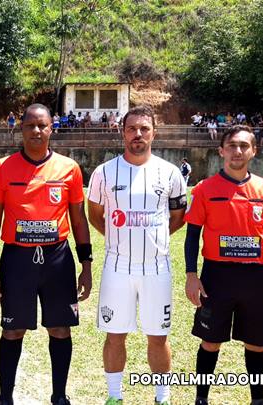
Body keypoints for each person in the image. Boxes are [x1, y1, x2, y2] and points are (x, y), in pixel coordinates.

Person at [0, 103, 92, 405]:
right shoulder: (3, 167)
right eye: (30, 125)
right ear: (21, 128)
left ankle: (59, 396)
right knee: (13, 329)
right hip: (17, 260)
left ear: (51, 129)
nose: (36, 130)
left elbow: (78, 219)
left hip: (57, 260)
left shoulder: (69, 168)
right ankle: (5, 398)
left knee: (60, 328)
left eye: (42, 125)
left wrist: (86, 264)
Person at [87, 106, 187, 405]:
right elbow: (95, 216)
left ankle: (162, 397)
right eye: (132, 129)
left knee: (158, 336)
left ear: (154, 133)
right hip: (117, 268)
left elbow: (178, 217)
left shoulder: (170, 173)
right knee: (115, 334)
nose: (138, 134)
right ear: (122, 132)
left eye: (144, 129)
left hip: (157, 268)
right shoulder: (104, 172)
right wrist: (121, 240)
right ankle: (114, 396)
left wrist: (153, 240)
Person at [183, 125, 263, 405]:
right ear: (221, 151)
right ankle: (201, 398)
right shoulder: (204, 189)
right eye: (231, 146)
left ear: (254, 151)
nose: (237, 151)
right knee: (210, 341)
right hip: (217, 276)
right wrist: (191, 274)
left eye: (244, 146)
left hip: (255, 277)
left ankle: (258, 400)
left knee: (256, 343)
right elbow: (192, 235)